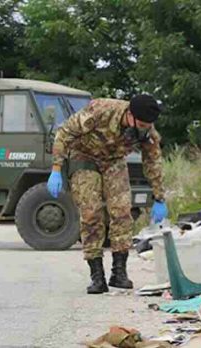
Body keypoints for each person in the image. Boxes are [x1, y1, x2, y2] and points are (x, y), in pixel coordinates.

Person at [48, 95, 168, 294]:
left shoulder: (147, 131)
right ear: (130, 115)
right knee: (91, 212)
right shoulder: (101, 110)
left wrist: (159, 197)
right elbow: (65, 133)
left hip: (113, 161)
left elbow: (153, 163)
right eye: (141, 124)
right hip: (84, 156)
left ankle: (119, 273)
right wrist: (56, 167)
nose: (144, 128)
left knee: (122, 212)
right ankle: (97, 276)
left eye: (148, 125)